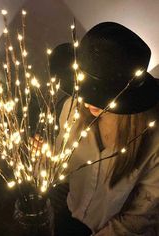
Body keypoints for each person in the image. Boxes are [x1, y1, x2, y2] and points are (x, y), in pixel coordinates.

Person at [49, 22, 159, 235]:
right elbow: (61, 165)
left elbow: (139, 219)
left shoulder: (153, 142)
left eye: (100, 93)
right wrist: (45, 160)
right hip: (71, 216)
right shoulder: (71, 110)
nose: (87, 99)